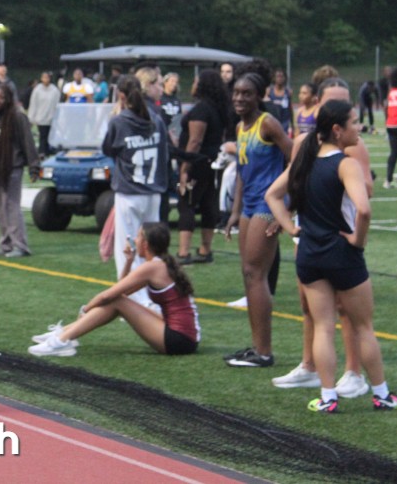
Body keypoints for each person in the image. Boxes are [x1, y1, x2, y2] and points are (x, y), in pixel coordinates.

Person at [265, 100, 397, 413]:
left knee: (323, 327)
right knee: (363, 327)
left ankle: (328, 397)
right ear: (337, 129)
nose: (358, 128)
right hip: (342, 253)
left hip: (309, 253)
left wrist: (291, 229)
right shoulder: (346, 164)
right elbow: (364, 209)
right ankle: (382, 395)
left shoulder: (304, 161)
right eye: (354, 122)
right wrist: (358, 241)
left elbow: (272, 195)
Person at [270, 77, 374, 399]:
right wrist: (287, 220)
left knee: (346, 310)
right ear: (319, 105)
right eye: (332, 101)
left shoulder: (353, 148)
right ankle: (310, 367)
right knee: (310, 307)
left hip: (336, 232)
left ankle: (353, 372)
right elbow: (293, 186)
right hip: (309, 233)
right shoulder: (304, 143)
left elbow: (366, 192)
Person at [29, 222, 200, 357]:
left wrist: (85, 310)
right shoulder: (159, 264)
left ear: (145, 244)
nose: (135, 240)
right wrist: (129, 261)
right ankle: (64, 334)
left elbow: (108, 296)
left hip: (179, 340)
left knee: (117, 301)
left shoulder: (152, 267)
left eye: (138, 237)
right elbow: (123, 290)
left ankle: (62, 340)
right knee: (119, 301)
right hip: (183, 335)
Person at [223, 66, 292, 368]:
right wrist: (235, 211)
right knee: (248, 274)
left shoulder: (268, 124)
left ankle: (264, 352)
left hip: (267, 205)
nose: (239, 98)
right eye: (236, 93)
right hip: (249, 206)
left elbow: (296, 160)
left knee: (256, 274)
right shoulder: (241, 127)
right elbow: (242, 171)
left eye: (246, 94)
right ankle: (256, 347)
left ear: (258, 97)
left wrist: (287, 208)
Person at [102, 76, 169, 305]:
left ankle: (134, 301)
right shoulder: (156, 119)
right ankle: (155, 295)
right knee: (151, 250)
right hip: (153, 192)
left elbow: (108, 148)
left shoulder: (119, 121)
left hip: (130, 192)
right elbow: (164, 153)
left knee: (128, 250)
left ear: (121, 96)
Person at [0, 83, 40, 258]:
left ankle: (20, 245)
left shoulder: (17, 117)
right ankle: (6, 243)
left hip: (12, 168)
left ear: (8, 98)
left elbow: (28, 141)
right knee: (0, 208)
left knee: (11, 206)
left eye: (1, 97)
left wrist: (34, 166)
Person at [176, 70, 229, 264]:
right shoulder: (219, 108)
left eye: (196, 82)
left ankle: (183, 252)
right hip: (213, 162)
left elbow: (195, 141)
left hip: (197, 163)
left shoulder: (201, 110)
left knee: (187, 203)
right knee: (209, 204)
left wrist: (185, 168)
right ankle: (205, 249)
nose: (193, 85)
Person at [27, 71, 60, 156]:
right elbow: (33, 104)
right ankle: (42, 152)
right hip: (40, 117)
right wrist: (31, 117)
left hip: (51, 117)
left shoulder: (54, 90)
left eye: (47, 77)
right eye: (44, 77)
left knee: (49, 136)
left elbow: (57, 104)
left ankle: (47, 150)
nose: (45, 79)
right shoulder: (37, 90)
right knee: (43, 135)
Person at [266, 68, 293, 135]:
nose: (280, 78)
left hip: (284, 123)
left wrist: (292, 126)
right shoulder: (269, 91)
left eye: (281, 76)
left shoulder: (288, 92)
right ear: (274, 78)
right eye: (278, 76)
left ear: (285, 78)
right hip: (272, 121)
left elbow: (290, 108)